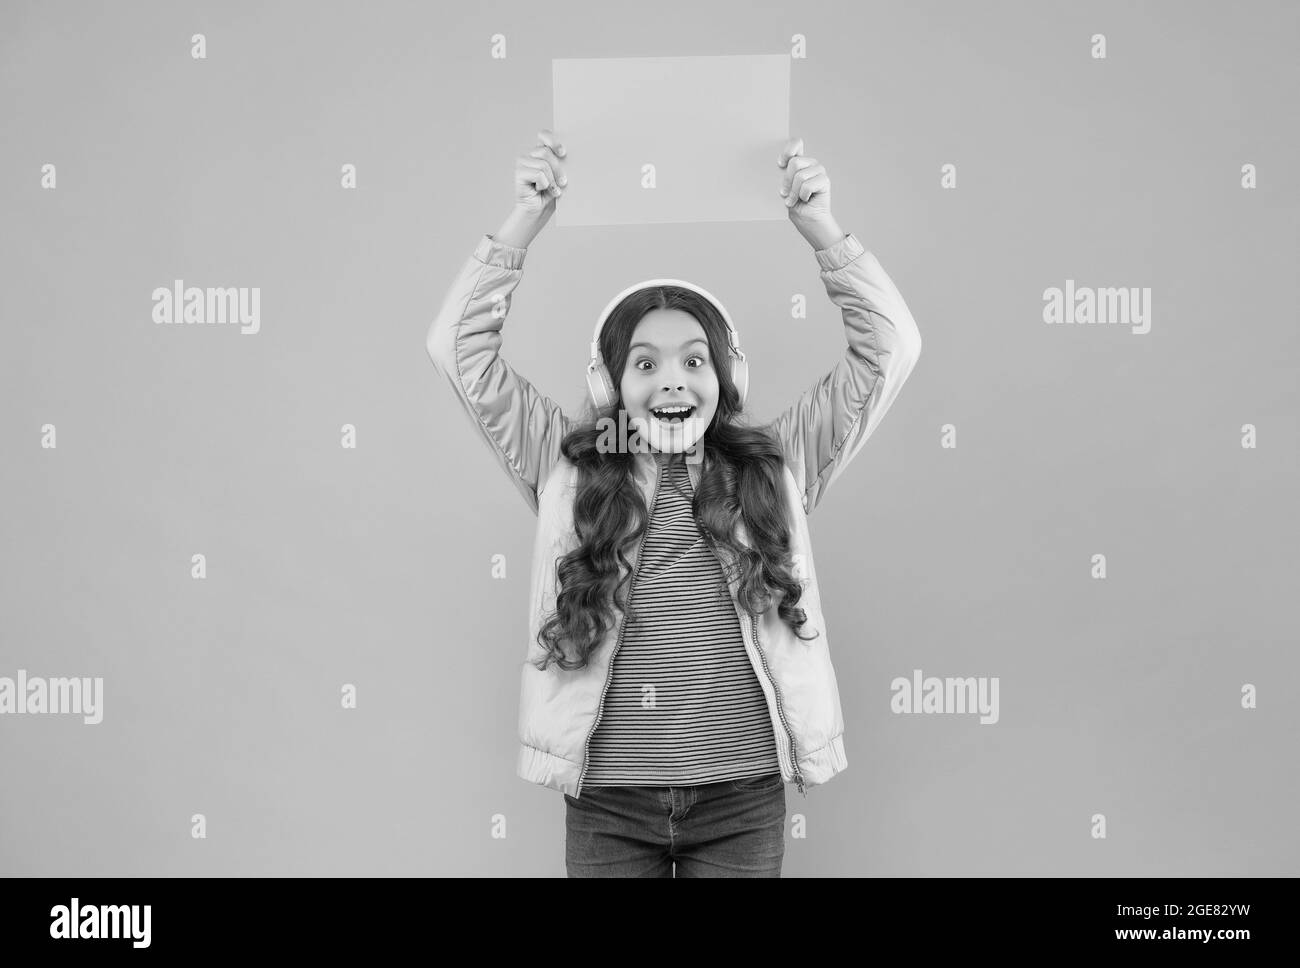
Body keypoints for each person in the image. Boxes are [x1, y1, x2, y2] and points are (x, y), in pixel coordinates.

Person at [426, 128, 922, 877]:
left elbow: (890, 350)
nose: (672, 382)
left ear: (725, 377)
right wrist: (525, 220)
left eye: (695, 361)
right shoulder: (569, 467)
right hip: (607, 801)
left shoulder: (775, 468)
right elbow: (457, 349)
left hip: (741, 797)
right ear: (610, 385)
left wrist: (820, 225)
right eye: (645, 363)